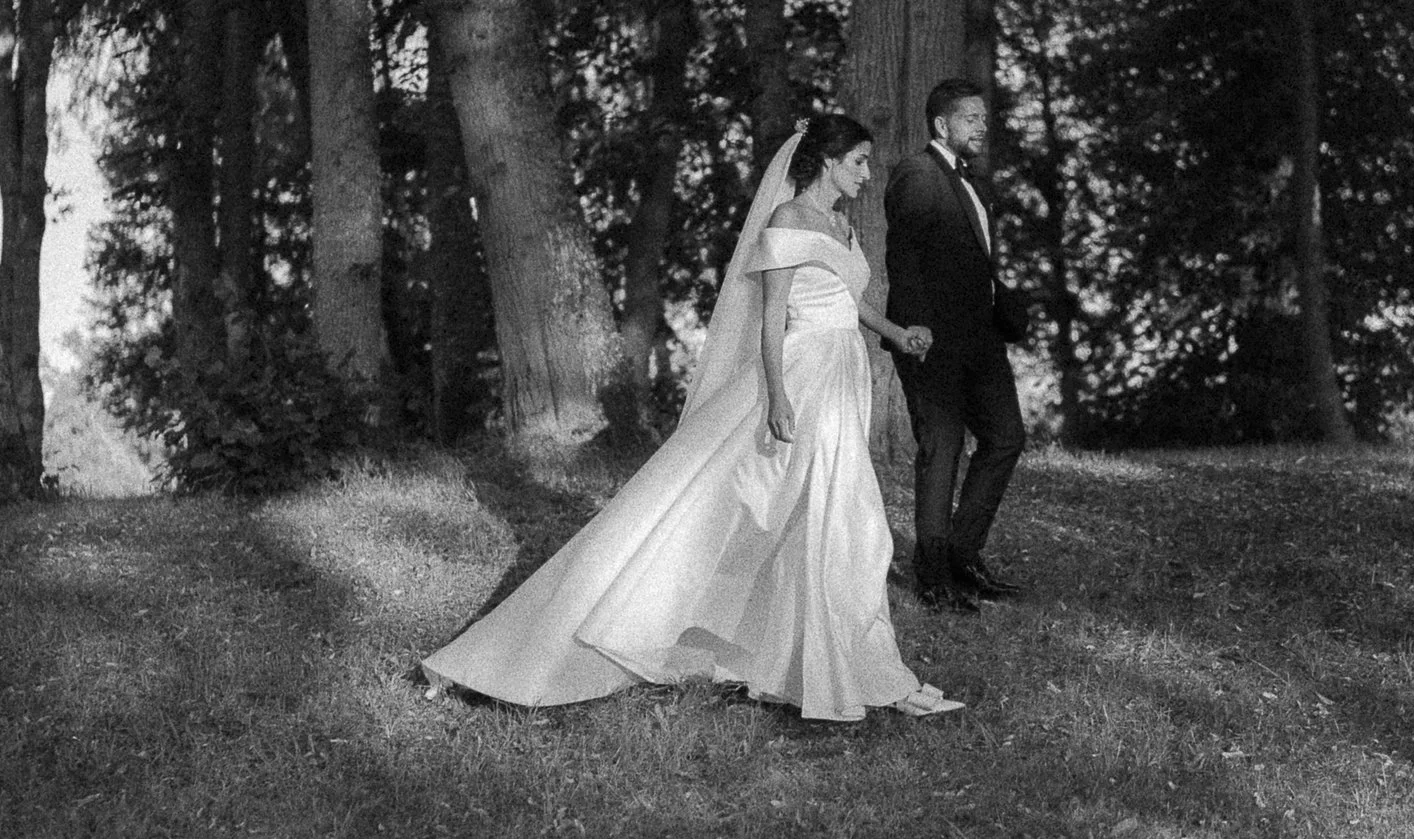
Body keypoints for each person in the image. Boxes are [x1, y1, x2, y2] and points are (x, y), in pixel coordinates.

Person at [418, 115, 966, 721]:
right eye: (858, 161)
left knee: (836, 517)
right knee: (786, 509)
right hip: (802, 374)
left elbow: (849, 299)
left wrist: (897, 334)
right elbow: (773, 318)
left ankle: (828, 661)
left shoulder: (842, 225)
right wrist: (778, 396)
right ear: (829, 161)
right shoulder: (787, 220)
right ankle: (557, 641)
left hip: (843, 375)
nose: (866, 174)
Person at [885, 78, 1028, 609]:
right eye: (971, 118)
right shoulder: (917, 174)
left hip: (982, 338)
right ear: (942, 124)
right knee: (941, 447)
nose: (982, 127)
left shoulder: (973, 180)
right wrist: (914, 330)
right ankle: (933, 576)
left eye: (984, 118)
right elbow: (904, 257)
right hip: (931, 340)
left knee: (1006, 437)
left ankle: (963, 557)